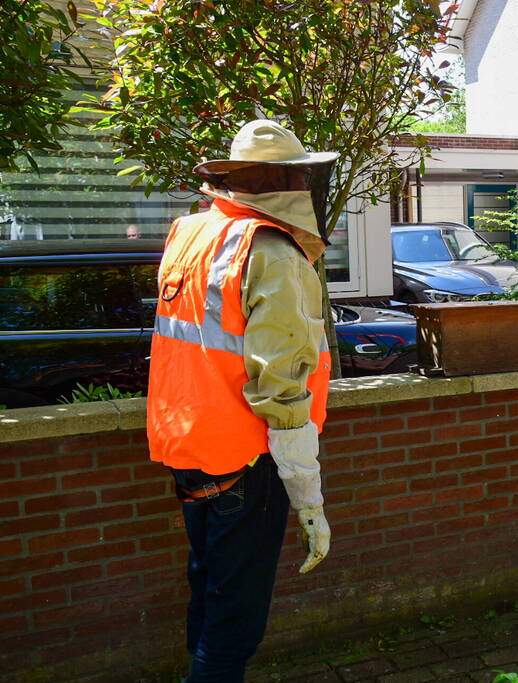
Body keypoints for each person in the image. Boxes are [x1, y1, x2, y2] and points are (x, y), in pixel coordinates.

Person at [146, 119, 337, 682]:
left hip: (188, 446)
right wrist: (309, 497)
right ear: (287, 180)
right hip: (247, 461)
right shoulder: (272, 252)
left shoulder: (191, 233)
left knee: (208, 588)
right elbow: (281, 388)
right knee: (235, 623)